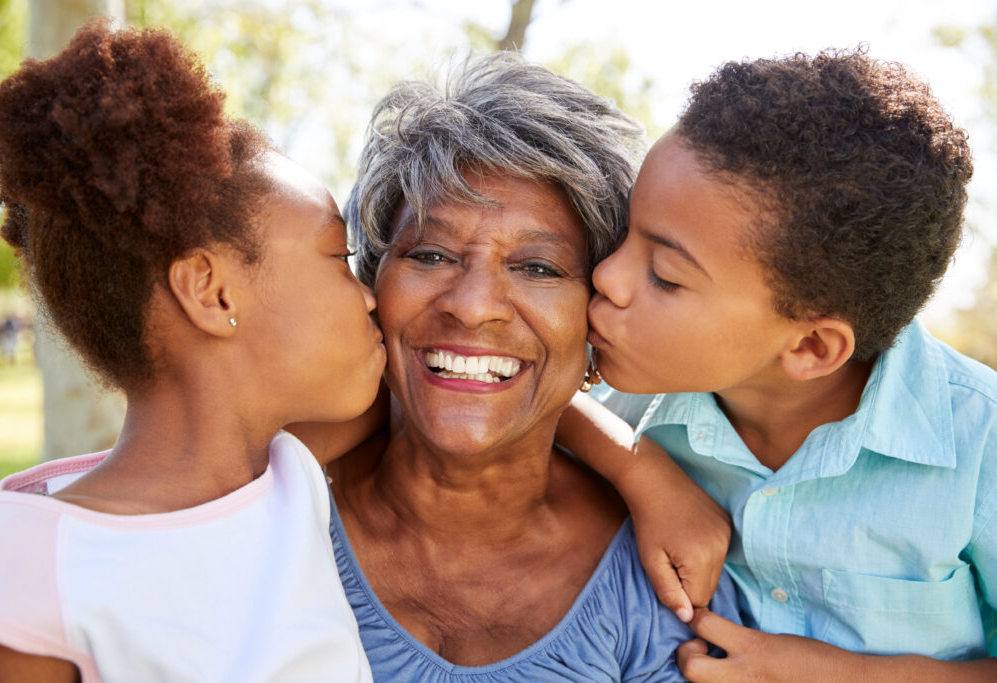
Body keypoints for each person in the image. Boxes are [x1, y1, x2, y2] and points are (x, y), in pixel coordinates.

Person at [300, 53, 740, 681]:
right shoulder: (267, 514)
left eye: (538, 267)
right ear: (373, 286)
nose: (473, 308)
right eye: (430, 254)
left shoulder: (664, 585)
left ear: (599, 321)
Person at [0, 21, 386, 682]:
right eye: (338, 257)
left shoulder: (290, 471)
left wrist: (621, 468)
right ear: (211, 291)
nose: (368, 295)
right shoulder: (32, 570)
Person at [567, 48, 997, 679]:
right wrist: (640, 470)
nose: (606, 275)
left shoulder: (979, 440)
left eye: (664, 275)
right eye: (622, 233)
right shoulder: (632, 402)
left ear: (810, 348)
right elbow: (519, 397)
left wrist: (846, 674)